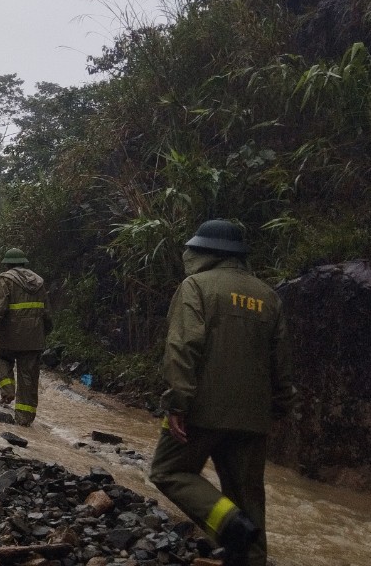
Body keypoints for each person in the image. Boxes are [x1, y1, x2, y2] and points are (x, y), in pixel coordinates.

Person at [148, 220, 294, 566]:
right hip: (253, 417)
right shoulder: (268, 296)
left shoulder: (196, 286)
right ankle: (250, 554)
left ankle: (229, 525)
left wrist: (177, 402)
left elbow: (184, 347)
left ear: (205, 252)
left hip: (200, 410)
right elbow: (282, 363)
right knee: (249, 499)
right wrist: (279, 410)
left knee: (168, 471)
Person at [0, 248, 53, 426]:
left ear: (7, 264)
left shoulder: (5, 280)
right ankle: (24, 419)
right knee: (28, 378)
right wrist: (44, 333)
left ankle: (8, 390)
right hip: (34, 339)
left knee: (1, 358)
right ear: (23, 263)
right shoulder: (39, 282)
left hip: (10, 336)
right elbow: (47, 314)